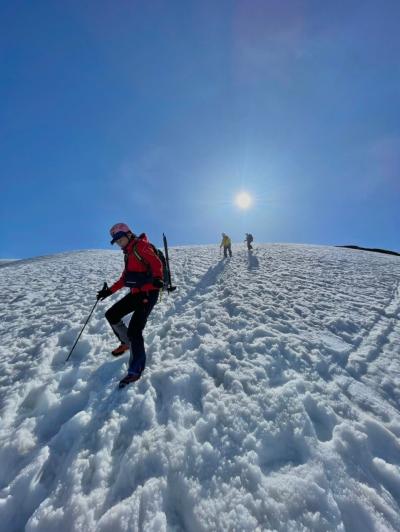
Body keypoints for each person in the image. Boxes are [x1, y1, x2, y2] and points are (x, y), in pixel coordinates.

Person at [97, 223, 164, 388]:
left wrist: (158, 278)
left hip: (149, 292)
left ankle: (135, 371)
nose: (119, 243)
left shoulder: (141, 246)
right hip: (136, 293)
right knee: (111, 315)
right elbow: (124, 279)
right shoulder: (128, 254)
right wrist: (108, 292)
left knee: (135, 330)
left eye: (120, 239)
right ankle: (126, 342)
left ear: (128, 234)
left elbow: (157, 264)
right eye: (116, 241)